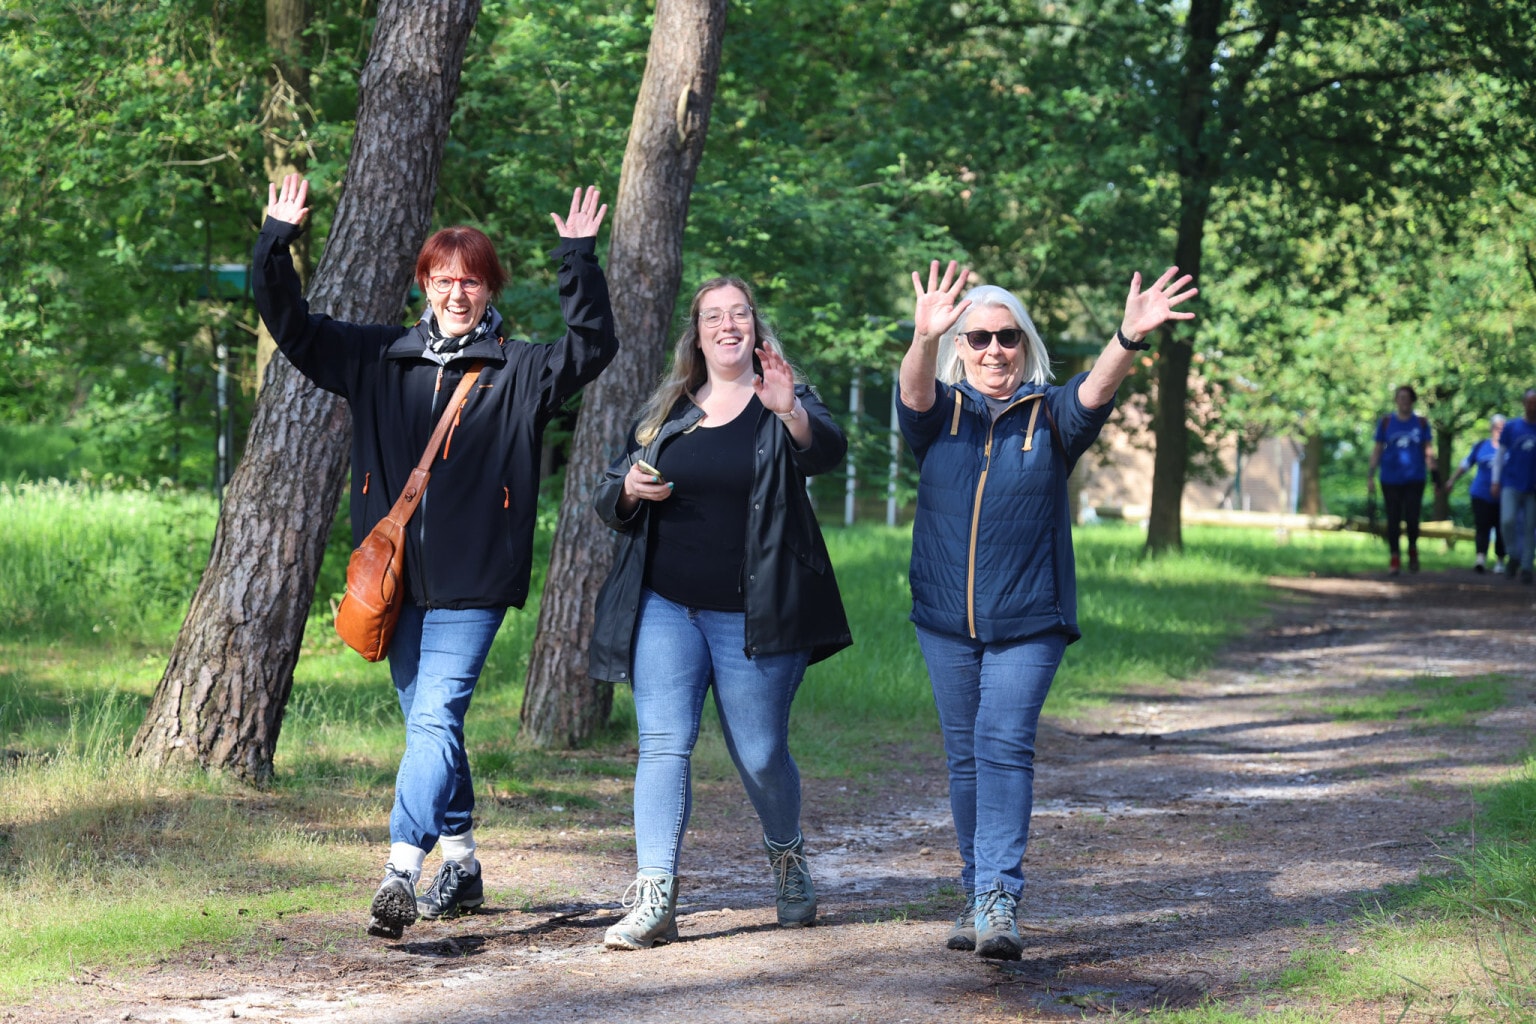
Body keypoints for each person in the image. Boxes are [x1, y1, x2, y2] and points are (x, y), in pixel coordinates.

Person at [254, 174, 617, 939]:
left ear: (489, 292)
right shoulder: (374, 357)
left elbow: (592, 347)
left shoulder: (518, 370)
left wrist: (578, 260)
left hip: (475, 582)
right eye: (446, 279)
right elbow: (288, 324)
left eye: (472, 281)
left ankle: (398, 870)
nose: (458, 293)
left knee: (435, 717)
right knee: (432, 726)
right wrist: (274, 242)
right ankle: (462, 855)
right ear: (424, 282)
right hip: (395, 584)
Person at [898, 260, 1195, 961]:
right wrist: (921, 337)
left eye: (1007, 337)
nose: (994, 350)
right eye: (977, 339)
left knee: (1002, 745)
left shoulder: (1051, 417)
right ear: (958, 349)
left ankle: (999, 895)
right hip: (945, 618)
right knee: (964, 757)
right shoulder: (940, 415)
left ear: (1025, 344)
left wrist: (1127, 336)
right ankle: (978, 894)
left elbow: (1096, 389)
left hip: (1030, 619)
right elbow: (912, 393)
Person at [588, 276, 852, 950]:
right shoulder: (668, 410)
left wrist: (789, 409)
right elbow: (607, 495)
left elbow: (825, 449)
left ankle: (787, 855)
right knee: (662, 745)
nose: (727, 325)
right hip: (666, 606)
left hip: (755, 614)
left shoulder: (781, 396)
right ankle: (654, 896)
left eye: (739, 314)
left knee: (761, 755)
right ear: (697, 332)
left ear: (755, 327)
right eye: (713, 315)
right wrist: (628, 488)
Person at [1367, 386, 1436, 575]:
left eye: (1407, 398)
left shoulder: (1421, 423)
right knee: (1393, 519)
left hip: (1415, 478)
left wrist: (1436, 477)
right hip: (1390, 478)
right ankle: (1394, 557)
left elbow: (1428, 451)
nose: (1404, 401)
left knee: (1412, 518)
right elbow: (1377, 449)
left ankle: (1412, 550)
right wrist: (1370, 475)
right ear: (1396, 401)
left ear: (1412, 401)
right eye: (1400, 398)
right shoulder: (1386, 422)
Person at [1441, 414, 1507, 573]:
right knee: (1482, 526)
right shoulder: (1481, 446)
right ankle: (1480, 558)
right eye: (1497, 428)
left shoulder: (1510, 449)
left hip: (1504, 496)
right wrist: (1451, 480)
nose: (1499, 431)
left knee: (1502, 528)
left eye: (1503, 428)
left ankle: (1500, 560)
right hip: (1481, 494)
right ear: (1491, 429)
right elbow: (1466, 464)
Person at [1492, 389, 1536, 585]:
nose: (1533, 406)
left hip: (1533, 488)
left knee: (1529, 527)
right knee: (1507, 521)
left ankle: (1527, 566)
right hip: (1511, 483)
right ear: (1524, 403)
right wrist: (1495, 480)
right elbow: (1500, 456)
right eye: (1530, 402)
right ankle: (1513, 555)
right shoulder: (1511, 428)